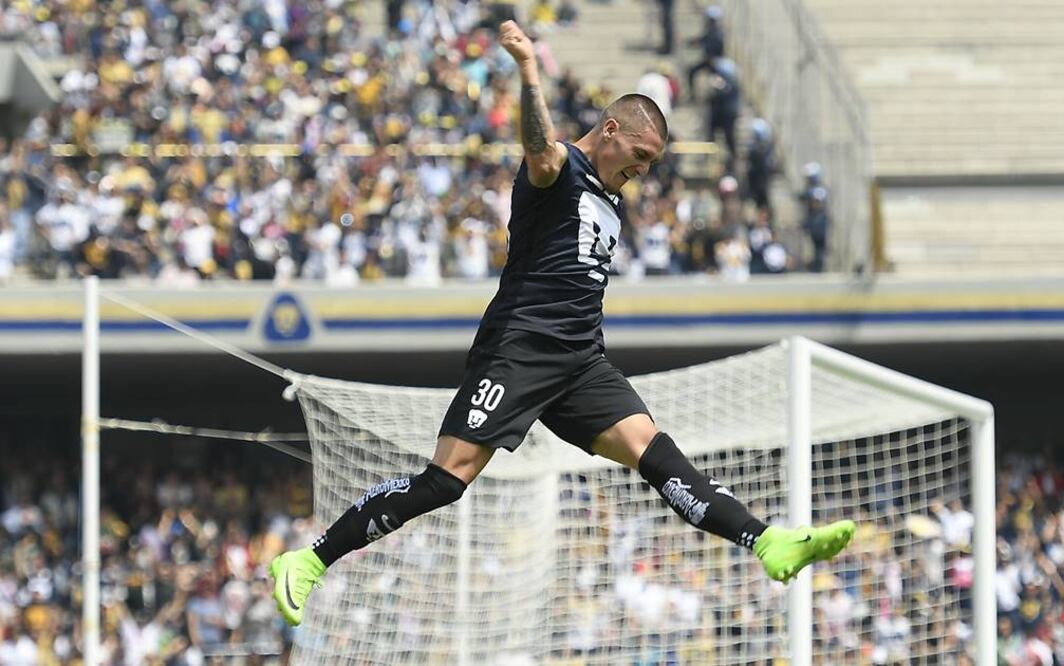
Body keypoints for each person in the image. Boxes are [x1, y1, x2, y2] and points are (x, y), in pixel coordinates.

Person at [269, 21, 855, 628]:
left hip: (581, 361)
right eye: (640, 157)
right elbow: (538, 144)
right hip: (518, 351)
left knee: (657, 455)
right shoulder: (557, 172)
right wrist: (528, 73)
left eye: (651, 164)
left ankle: (767, 542)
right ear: (609, 131)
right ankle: (309, 560)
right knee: (447, 480)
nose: (643, 173)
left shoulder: (610, 196)